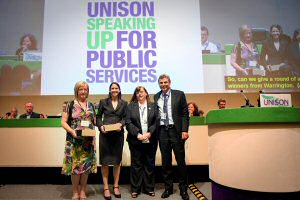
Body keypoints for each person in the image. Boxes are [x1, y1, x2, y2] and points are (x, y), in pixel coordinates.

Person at [154, 74, 190, 200]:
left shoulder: (179, 94)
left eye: (165, 82)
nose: (163, 85)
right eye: (161, 83)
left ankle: (183, 188)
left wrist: (185, 130)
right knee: (166, 162)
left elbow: (185, 113)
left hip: (176, 130)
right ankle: (168, 188)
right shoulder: (156, 96)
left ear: (169, 82)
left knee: (180, 161)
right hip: (162, 131)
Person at [61, 81, 97, 200]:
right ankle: (75, 192)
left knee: (86, 167)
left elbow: (93, 123)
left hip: (87, 142)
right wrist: (72, 132)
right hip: (74, 141)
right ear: (76, 91)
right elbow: (63, 122)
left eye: (85, 89)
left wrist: (94, 141)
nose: (83, 91)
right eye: (81, 89)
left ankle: (83, 191)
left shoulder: (91, 105)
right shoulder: (69, 104)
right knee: (75, 168)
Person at [96, 82, 127, 200]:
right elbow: (98, 117)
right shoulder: (103, 102)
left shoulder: (124, 103)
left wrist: (121, 123)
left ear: (119, 90)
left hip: (118, 135)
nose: (114, 90)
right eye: (112, 88)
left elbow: (126, 118)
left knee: (117, 162)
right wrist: (101, 126)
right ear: (109, 90)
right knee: (104, 161)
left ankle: (115, 186)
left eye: (116, 88)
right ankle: (106, 188)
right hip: (105, 135)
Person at [125, 86, 158, 198]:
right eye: (137, 92)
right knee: (136, 164)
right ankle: (135, 189)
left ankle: (149, 188)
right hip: (135, 140)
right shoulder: (130, 107)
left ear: (146, 94)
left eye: (142, 91)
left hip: (150, 138)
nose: (140, 94)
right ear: (135, 95)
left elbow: (156, 121)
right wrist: (137, 134)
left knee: (149, 164)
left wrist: (149, 133)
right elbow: (128, 122)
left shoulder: (153, 106)